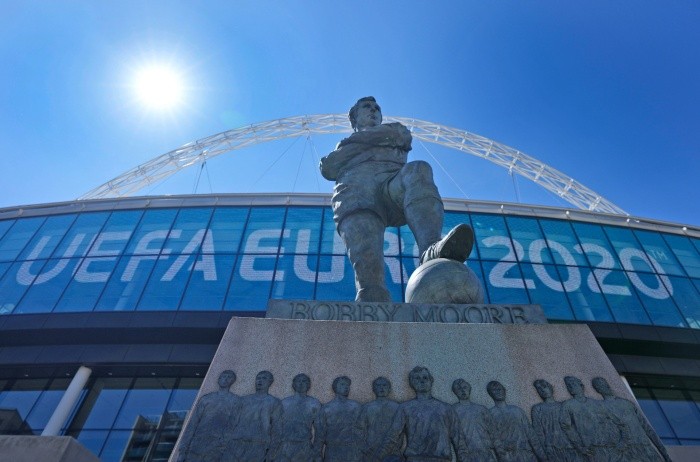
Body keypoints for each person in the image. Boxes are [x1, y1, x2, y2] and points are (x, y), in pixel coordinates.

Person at [320, 96, 474, 302]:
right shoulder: (383, 134)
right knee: (370, 288)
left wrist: (350, 148)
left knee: (418, 170)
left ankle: (430, 249)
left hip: (391, 185)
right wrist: (374, 139)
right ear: (354, 118)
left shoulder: (392, 130)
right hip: (355, 194)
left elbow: (401, 135)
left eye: (377, 108)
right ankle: (371, 297)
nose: (374, 110)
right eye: (367, 107)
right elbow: (328, 168)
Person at [374, 366, 465, 461]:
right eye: (417, 378)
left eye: (425, 378)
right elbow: (392, 436)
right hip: (415, 458)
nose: (422, 381)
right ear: (411, 383)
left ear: (431, 381)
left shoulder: (446, 409)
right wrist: (378, 457)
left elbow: (459, 440)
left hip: (441, 459)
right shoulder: (405, 408)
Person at [591, 377, 672, 462]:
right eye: (600, 385)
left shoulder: (628, 403)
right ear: (597, 390)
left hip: (646, 448)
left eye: (604, 384)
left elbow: (648, 429)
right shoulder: (602, 407)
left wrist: (665, 454)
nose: (604, 387)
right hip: (628, 452)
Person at [560, 376, 628, 462]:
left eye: (573, 384)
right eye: (568, 385)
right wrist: (580, 447)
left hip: (611, 446)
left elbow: (620, 423)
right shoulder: (567, 405)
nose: (570, 387)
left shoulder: (597, 404)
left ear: (581, 386)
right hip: (592, 449)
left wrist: (623, 441)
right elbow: (566, 427)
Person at [177, 370, 240, 462]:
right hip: (196, 445)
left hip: (216, 448)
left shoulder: (235, 400)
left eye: (229, 377)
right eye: (223, 376)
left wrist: (222, 447)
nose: (225, 379)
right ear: (219, 379)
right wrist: (183, 450)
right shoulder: (206, 399)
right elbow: (193, 424)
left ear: (232, 381)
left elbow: (233, 425)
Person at [229, 370, 283, 461]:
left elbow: (276, 428)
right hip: (236, 443)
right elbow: (231, 422)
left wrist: (272, 451)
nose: (260, 381)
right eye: (258, 378)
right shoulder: (243, 400)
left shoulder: (274, 402)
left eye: (264, 378)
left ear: (270, 382)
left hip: (258, 445)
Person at [486, 380, 546, 462]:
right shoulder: (490, 414)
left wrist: (542, 457)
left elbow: (531, 435)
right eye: (494, 390)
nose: (498, 392)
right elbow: (491, 440)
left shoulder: (517, 411)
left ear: (504, 390)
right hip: (507, 457)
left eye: (499, 389)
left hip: (526, 454)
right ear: (490, 393)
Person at [530, 379, 582, 462]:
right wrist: (544, 452)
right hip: (552, 448)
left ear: (550, 387)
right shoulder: (537, 408)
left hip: (570, 446)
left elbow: (573, 426)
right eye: (539, 389)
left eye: (544, 387)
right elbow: (538, 432)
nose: (543, 390)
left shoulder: (563, 405)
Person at [274, 373, 322, 462]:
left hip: (304, 446)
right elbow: (277, 428)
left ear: (309, 385)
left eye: (304, 381)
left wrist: (317, 451)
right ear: (293, 384)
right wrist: (274, 450)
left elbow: (320, 430)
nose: (301, 383)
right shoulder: (284, 403)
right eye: (298, 381)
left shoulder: (314, 404)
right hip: (285, 446)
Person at [356, 377, 401, 462]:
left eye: (384, 385)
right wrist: (364, 446)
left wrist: (398, 446)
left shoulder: (397, 407)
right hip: (370, 451)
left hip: (392, 452)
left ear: (389, 389)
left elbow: (400, 430)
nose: (381, 388)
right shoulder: (367, 407)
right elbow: (359, 429)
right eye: (378, 385)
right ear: (373, 389)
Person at [317, 376, 362, 461]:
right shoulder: (326, 408)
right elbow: (320, 434)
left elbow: (362, 430)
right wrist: (317, 454)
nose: (346, 387)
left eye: (348, 385)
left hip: (352, 450)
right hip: (333, 450)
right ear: (335, 387)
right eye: (342, 384)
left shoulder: (356, 406)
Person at [451, 379, 496, 462]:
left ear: (469, 388)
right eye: (459, 389)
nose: (462, 390)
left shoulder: (481, 409)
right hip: (467, 455)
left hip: (486, 453)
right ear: (455, 392)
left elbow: (492, 431)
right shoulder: (453, 410)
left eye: (464, 387)